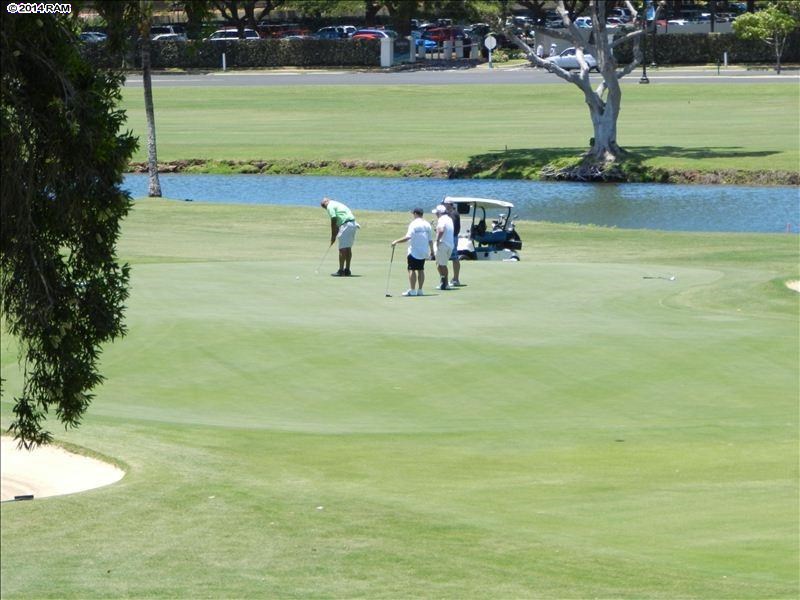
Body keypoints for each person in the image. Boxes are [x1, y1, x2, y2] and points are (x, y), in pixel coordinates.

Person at [391, 208, 434, 297]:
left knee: (412, 270)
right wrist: (432, 251)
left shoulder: (413, 224)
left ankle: (413, 290)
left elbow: (408, 237)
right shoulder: (427, 224)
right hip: (423, 251)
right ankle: (420, 290)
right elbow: (430, 240)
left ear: (415, 214)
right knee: (421, 269)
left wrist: (396, 241)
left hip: (414, 251)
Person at [320, 197, 358, 276]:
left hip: (346, 225)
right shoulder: (337, 204)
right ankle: (347, 270)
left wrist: (333, 236)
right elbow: (338, 221)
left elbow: (333, 219)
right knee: (348, 248)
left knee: (342, 249)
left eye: (324, 206)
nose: (325, 208)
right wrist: (335, 233)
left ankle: (341, 271)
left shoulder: (330, 206)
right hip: (353, 224)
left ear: (326, 202)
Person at [431, 204, 454, 291]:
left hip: (443, 244)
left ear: (440, 213)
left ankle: (445, 283)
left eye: (437, 213)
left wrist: (437, 241)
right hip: (449, 245)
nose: (436, 214)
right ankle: (443, 282)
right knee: (440, 264)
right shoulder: (449, 219)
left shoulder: (441, 219)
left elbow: (441, 230)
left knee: (442, 265)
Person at [443, 200, 462, 286]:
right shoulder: (451, 213)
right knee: (453, 258)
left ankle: (455, 279)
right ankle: (454, 279)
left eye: (444, 204)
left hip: (452, 237)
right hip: (452, 237)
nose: (444, 205)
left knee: (454, 258)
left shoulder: (453, 213)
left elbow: (452, 227)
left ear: (448, 204)